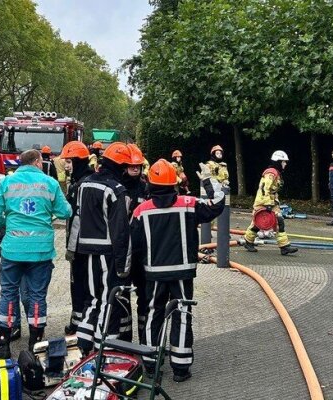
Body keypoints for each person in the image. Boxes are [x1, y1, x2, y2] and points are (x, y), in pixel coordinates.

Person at [133, 159, 225, 383]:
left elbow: (133, 247)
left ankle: (152, 365)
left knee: (154, 314)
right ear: (174, 183)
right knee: (182, 315)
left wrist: (134, 274)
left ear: (151, 184)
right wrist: (207, 180)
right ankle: (181, 369)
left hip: (153, 274)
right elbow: (218, 202)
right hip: (183, 273)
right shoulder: (189, 203)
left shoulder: (140, 210)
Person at [0, 149, 73, 359]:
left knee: (8, 293)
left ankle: (3, 343)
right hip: (40, 250)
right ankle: (36, 342)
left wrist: (8, 223)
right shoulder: (50, 183)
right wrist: (46, 215)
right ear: (36, 162)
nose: (42, 165)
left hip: (13, 248)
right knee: (37, 295)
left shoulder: (7, 183)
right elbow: (66, 212)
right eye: (41, 161)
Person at [74, 142, 133, 354]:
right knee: (110, 300)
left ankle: (83, 345)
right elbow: (120, 231)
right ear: (119, 166)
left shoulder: (85, 184)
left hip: (87, 252)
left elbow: (78, 220)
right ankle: (104, 350)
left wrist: (74, 251)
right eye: (125, 166)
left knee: (91, 299)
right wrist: (123, 266)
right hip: (108, 254)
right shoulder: (116, 190)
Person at [61, 141, 94, 335]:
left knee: (79, 284)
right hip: (90, 244)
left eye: (68, 161)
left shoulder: (81, 186)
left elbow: (76, 221)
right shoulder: (85, 181)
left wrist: (71, 248)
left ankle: (79, 323)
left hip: (80, 245)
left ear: (77, 162)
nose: (66, 165)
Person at [243, 151, 299, 255]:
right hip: (263, 202)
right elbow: (265, 188)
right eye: (283, 162)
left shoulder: (276, 173)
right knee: (258, 223)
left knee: (279, 222)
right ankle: (248, 241)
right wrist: (268, 204)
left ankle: (284, 246)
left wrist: (273, 203)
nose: (285, 164)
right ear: (278, 161)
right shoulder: (271, 173)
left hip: (271, 202)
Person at [121, 143, 149, 342]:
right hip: (122, 250)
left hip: (142, 251)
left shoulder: (146, 187)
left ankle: (146, 339)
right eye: (131, 165)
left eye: (137, 166)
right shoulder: (117, 187)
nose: (134, 168)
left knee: (145, 297)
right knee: (121, 296)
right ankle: (123, 340)